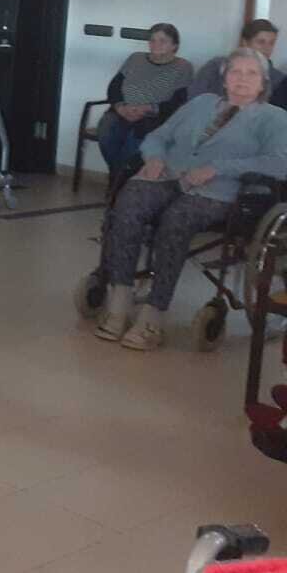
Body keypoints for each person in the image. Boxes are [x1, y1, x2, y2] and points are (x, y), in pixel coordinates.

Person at [95, 47, 287, 351]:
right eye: (235, 72)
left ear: (264, 82)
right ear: (224, 78)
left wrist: (217, 168)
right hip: (169, 175)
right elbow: (158, 136)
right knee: (129, 202)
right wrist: (154, 157)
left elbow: (279, 163)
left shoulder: (273, 118)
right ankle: (120, 299)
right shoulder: (201, 103)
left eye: (252, 73)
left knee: (177, 219)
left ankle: (153, 316)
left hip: (221, 191)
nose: (242, 79)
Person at [96, 23, 193, 181]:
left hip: (153, 118)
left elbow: (179, 101)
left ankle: (117, 182)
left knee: (133, 147)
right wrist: (120, 107)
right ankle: (118, 179)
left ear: (174, 45)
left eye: (162, 41)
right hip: (122, 111)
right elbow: (114, 87)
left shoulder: (183, 67)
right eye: (152, 40)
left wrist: (149, 108)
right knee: (106, 132)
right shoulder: (135, 58)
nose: (155, 44)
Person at [192, 18, 281, 98]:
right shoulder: (215, 67)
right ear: (245, 42)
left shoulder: (278, 78)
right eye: (261, 42)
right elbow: (195, 99)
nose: (267, 48)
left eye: (271, 43)